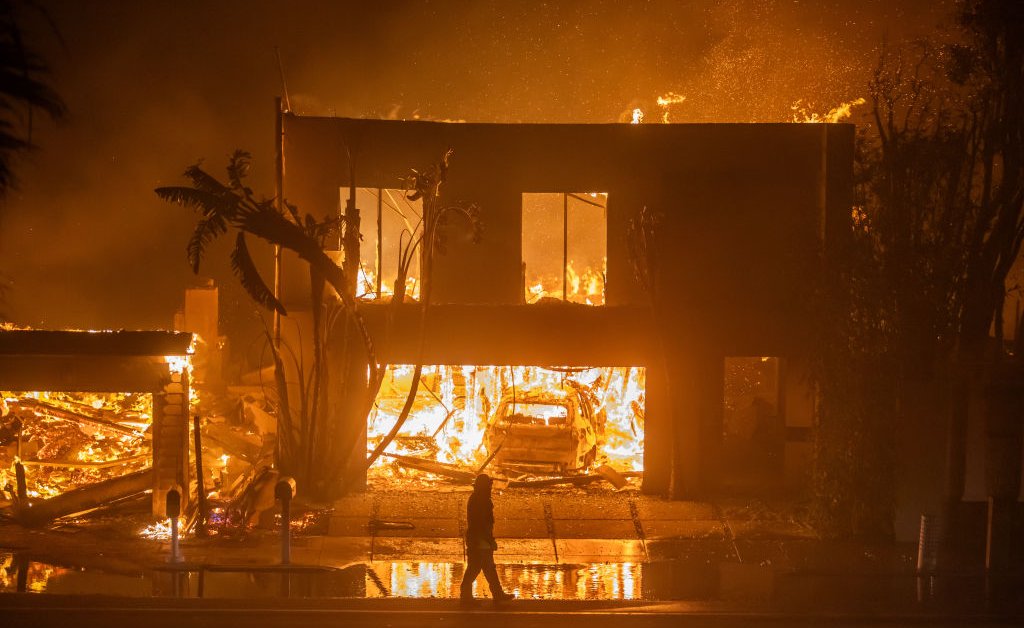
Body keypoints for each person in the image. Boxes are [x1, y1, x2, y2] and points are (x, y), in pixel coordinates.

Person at [460, 474, 512, 606]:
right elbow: (482, 523)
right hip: (480, 540)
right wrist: (490, 540)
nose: (490, 487)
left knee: (487, 568)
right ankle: (467, 596)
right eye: (489, 485)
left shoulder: (476, 498)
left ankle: (496, 594)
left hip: (477, 538)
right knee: (476, 568)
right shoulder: (482, 500)